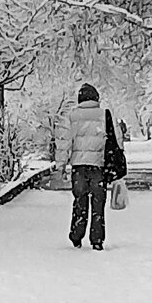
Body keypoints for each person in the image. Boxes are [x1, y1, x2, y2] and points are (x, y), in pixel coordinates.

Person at [57, 83, 122, 251]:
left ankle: (76, 236)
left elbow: (64, 141)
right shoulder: (104, 114)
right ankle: (97, 239)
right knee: (98, 203)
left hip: (78, 167)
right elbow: (117, 140)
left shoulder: (72, 116)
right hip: (98, 166)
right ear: (96, 98)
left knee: (80, 200)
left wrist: (61, 165)